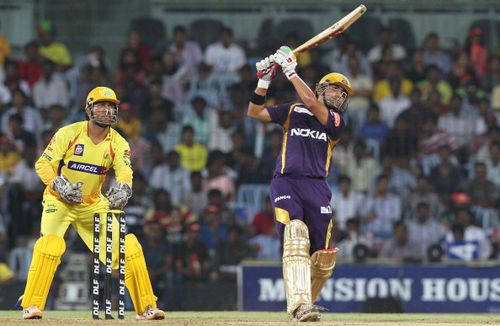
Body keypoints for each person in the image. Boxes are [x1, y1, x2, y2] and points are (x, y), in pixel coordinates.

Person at [17, 86, 165, 320]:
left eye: (111, 106)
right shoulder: (69, 133)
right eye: (102, 105)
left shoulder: (118, 142)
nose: (107, 110)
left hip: (93, 204)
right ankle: (31, 305)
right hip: (59, 200)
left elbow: (125, 171)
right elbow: (43, 164)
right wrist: (58, 184)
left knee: (129, 247)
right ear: (89, 109)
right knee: (50, 246)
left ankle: (146, 307)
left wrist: (125, 188)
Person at [247, 46, 351, 321]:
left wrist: (291, 70)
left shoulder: (336, 121)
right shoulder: (293, 109)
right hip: (287, 183)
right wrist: (264, 80)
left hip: (317, 187)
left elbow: (312, 103)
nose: (339, 95)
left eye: (343, 93)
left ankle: (304, 306)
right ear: (320, 89)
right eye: (334, 89)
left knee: (323, 259)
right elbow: (255, 112)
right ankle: (300, 306)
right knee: (294, 234)